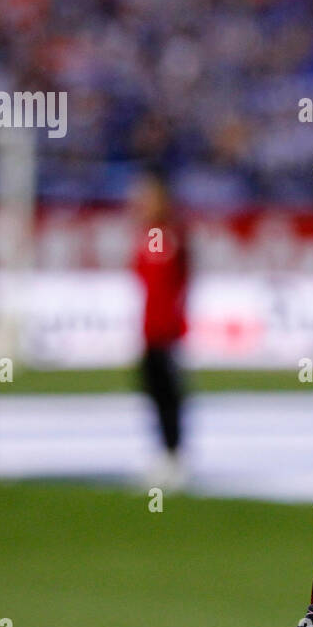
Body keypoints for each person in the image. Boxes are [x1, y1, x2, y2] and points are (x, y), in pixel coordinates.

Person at [130, 173, 190, 489]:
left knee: (170, 394)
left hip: (167, 333)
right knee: (152, 392)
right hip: (149, 331)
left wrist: (175, 322)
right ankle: (162, 452)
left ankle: (175, 454)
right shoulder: (145, 236)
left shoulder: (173, 236)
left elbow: (182, 281)